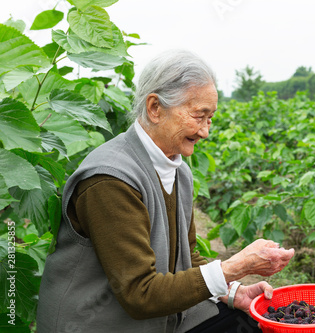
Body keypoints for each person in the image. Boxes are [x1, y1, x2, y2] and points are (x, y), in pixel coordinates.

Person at [36, 49, 295, 333]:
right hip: (100, 324)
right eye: (199, 115)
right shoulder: (110, 180)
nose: (206, 131)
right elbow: (140, 295)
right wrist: (235, 267)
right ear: (155, 108)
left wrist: (232, 291)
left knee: (250, 324)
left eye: (211, 118)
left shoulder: (178, 171)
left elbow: (188, 258)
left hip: (165, 319)